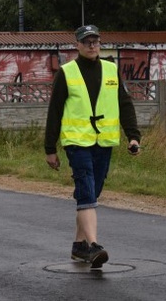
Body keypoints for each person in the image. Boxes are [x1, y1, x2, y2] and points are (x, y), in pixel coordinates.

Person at [44, 24, 142, 269]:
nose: (91, 45)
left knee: (91, 192)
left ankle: (78, 247)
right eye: (86, 41)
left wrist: (133, 136)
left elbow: (125, 104)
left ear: (99, 43)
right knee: (86, 189)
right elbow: (54, 112)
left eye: (95, 41)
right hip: (76, 142)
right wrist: (50, 148)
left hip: (104, 141)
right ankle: (94, 245)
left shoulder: (111, 70)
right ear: (77, 45)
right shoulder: (67, 72)